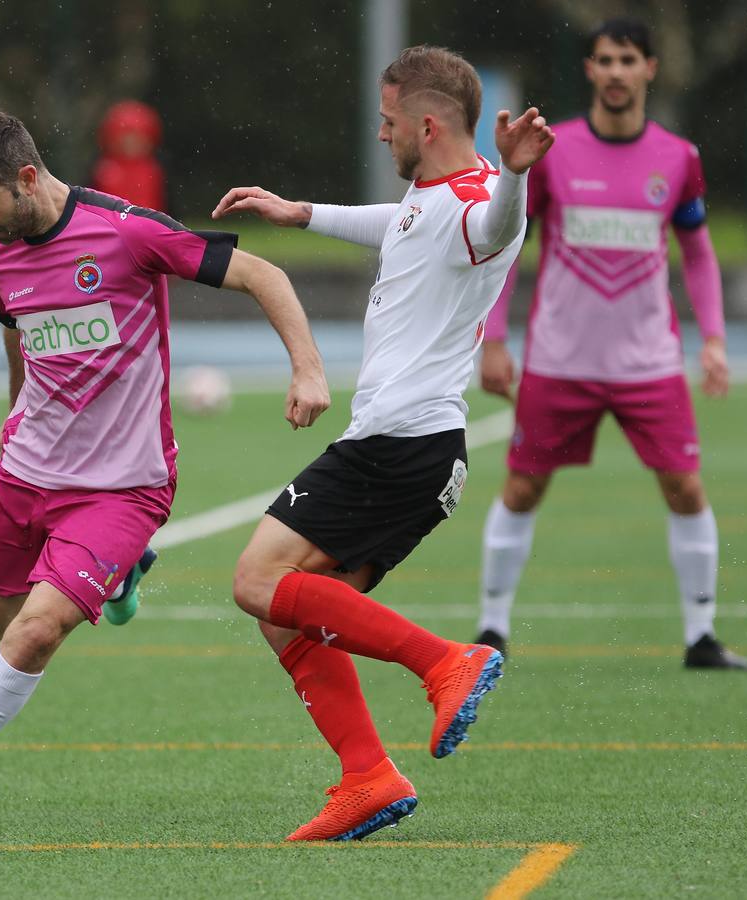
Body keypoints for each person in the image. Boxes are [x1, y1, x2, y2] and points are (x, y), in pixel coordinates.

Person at [0, 106, 332, 829]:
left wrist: (306, 369)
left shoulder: (128, 232)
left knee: (35, 631)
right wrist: (15, 412)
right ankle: (121, 570)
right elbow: (19, 331)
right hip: (25, 476)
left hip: (123, 488)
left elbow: (263, 274)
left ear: (25, 178)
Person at [211, 45, 552, 841]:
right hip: (418, 451)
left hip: (399, 443)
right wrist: (302, 213)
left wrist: (518, 176)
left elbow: (493, 224)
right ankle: (366, 777)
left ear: (426, 124)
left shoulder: (484, 203)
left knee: (256, 580)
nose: (379, 133)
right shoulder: (432, 197)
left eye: (388, 120)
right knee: (287, 615)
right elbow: (402, 225)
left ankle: (444, 663)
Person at [472, 19, 747, 670]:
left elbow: (700, 255)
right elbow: (509, 247)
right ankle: (491, 628)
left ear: (651, 68)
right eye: (604, 60)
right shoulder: (551, 149)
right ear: (590, 71)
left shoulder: (679, 158)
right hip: (558, 361)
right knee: (522, 488)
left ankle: (702, 636)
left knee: (684, 486)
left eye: (628, 59)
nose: (617, 72)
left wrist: (713, 339)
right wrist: (492, 339)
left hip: (648, 363)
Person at [90, 100, 167, 213]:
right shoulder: (104, 169)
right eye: (125, 139)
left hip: (149, 226)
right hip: (111, 226)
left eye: (138, 139)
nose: (131, 144)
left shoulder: (154, 169)